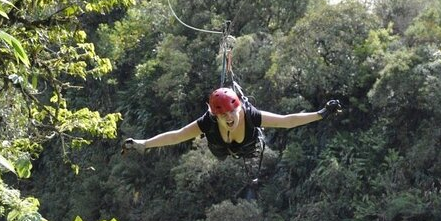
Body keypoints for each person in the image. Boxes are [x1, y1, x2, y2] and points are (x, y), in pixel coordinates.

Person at [122, 87, 341, 159]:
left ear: (239, 108)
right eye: (223, 115)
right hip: (219, 149)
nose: (229, 118)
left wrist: (321, 113)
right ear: (215, 115)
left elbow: (287, 121)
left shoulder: (250, 115)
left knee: (248, 148)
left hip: (247, 148)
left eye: (232, 112)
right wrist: (143, 143)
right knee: (219, 150)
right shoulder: (208, 121)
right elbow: (178, 135)